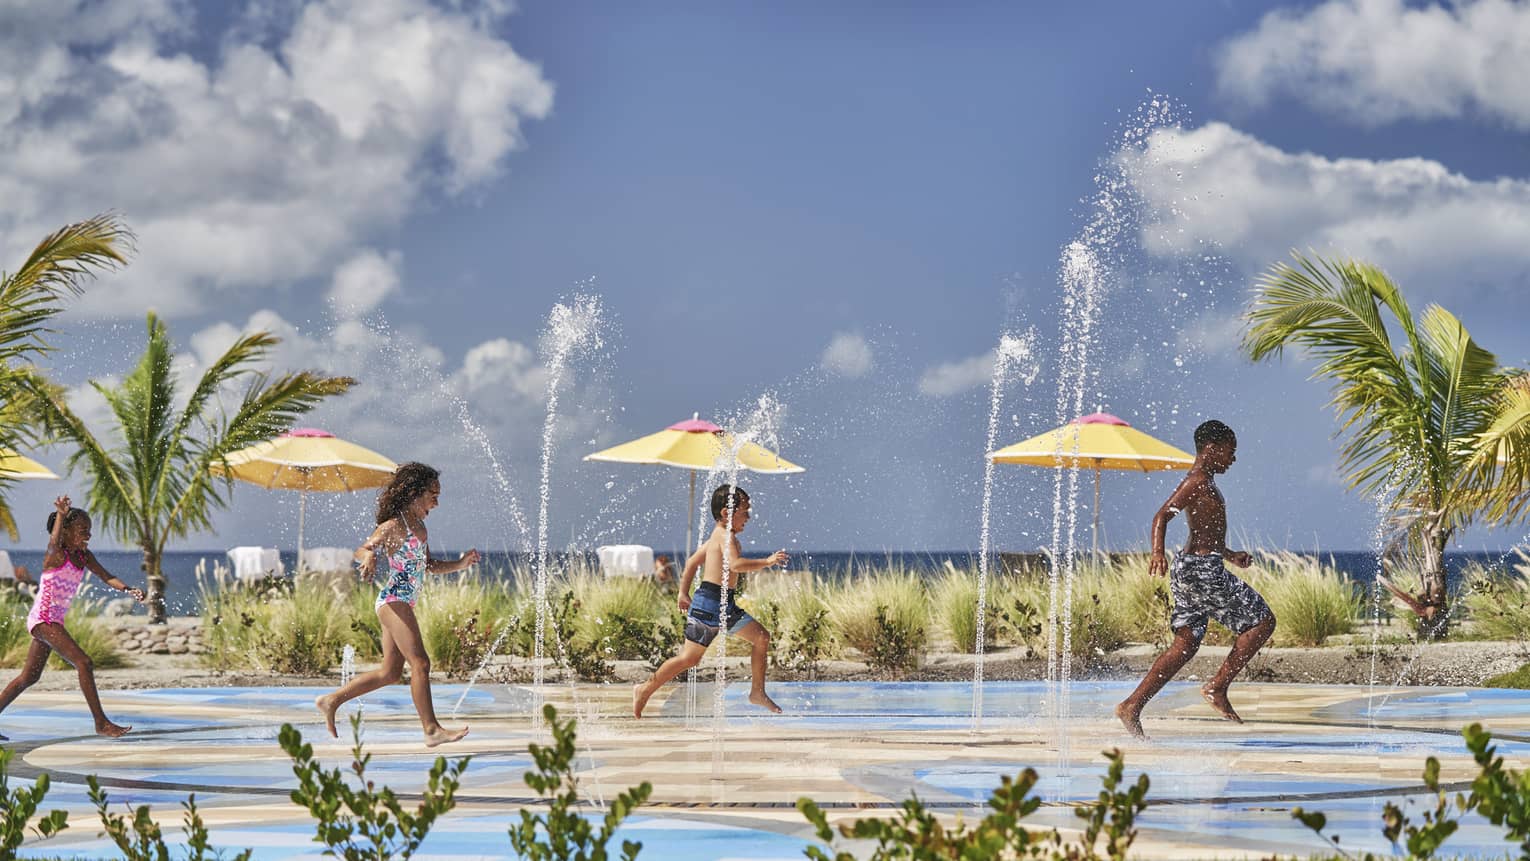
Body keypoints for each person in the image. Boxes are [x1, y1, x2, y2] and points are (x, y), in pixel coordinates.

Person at [1115, 420, 1276, 739]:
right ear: (1212, 449)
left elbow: (1206, 534)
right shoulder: (1198, 480)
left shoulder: (1207, 483)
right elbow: (1162, 515)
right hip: (1201, 571)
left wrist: (1230, 556)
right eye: (1230, 452)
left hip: (1196, 566)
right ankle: (1217, 686)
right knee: (1262, 622)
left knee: (1185, 644)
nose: (1233, 459)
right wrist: (1156, 552)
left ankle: (1132, 706)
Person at [315, 463, 480, 747]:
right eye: (433, 494)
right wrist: (367, 557)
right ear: (415, 492)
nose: (436, 502)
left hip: (403, 602)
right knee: (421, 663)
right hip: (394, 601)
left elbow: (428, 565)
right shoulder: (394, 526)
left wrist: (460, 564)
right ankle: (431, 729)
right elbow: (364, 548)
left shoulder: (420, 527)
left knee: (390, 673)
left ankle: (331, 700)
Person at [633, 484, 786, 718]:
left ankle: (757, 692)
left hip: (723, 603)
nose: (749, 517)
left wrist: (683, 592)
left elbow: (692, 562)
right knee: (689, 658)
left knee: (761, 638)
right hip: (709, 604)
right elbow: (736, 565)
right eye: (745, 511)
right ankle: (645, 688)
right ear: (727, 513)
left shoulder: (719, 536)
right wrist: (767, 562)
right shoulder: (726, 538)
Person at [0, 496, 145, 739]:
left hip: (52, 622)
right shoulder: (56, 553)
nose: (87, 535)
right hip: (44, 619)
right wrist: (59, 514)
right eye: (82, 530)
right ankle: (101, 723)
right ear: (66, 531)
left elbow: (106, 576)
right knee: (84, 662)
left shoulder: (84, 556)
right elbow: (54, 539)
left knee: (28, 678)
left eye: (89, 531)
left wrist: (128, 589)